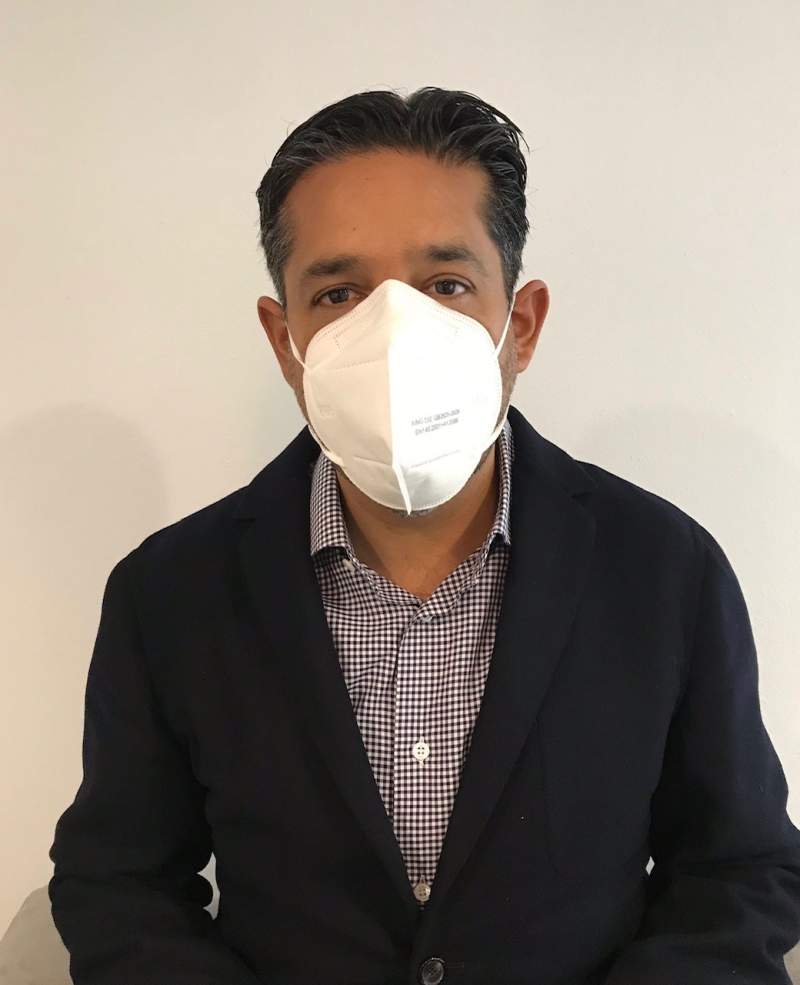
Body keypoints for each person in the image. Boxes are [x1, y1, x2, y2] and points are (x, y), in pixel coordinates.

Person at [48, 86, 800, 985]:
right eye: (339, 293)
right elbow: (118, 884)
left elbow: (738, 869)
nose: (396, 334)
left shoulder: (664, 571)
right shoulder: (170, 593)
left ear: (520, 325)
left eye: (446, 285)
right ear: (285, 341)